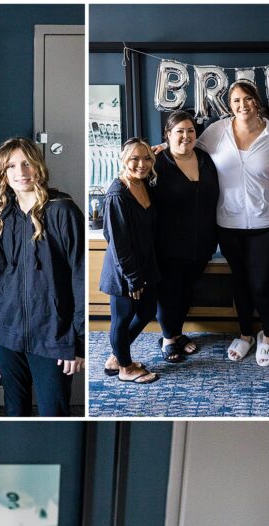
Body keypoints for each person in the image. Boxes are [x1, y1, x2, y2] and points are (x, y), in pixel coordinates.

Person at [0, 137, 85, 416]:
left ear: (38, 167)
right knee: (14, 414)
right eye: (12, 166)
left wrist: (79, 342)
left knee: (53, 414)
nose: (21, 172)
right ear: (3, 174)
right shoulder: (0, 215)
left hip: (52, 337)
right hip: (7, 335)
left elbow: (80, 276)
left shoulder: (62, 211)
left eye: (26, 163)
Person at [197, 81, 269, 366]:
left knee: (261, 283)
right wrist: (163, 149)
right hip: (228, 223)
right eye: (236, 100)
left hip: (268, 223)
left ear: (257, 101)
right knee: (240, 281)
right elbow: (188, 150)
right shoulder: (216, 131)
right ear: (229, 104)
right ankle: (246, 334)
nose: (242, 105)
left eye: (247, 99)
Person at [152, 112, 219, 363]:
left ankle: (177, 333)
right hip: (167, 244)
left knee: (186, 290)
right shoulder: (157, 162)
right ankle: (168, 339)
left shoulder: (205, 159)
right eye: (179, 131)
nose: (186, 136)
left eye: (190, 130)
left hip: (202, 243)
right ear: (167, 135)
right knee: (169, 292)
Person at [99, 137, 161, 384]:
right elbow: (118, 243)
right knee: (121, 320)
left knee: (147, 311)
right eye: (134, 158)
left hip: (146, 264)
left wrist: (160, 148)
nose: (141, 164)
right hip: (124, 270)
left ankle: (117, 356)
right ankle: (124, 368)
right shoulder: (117, 194)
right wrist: (133, 278)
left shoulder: (144, 184)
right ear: (123, 160)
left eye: (146, 158)